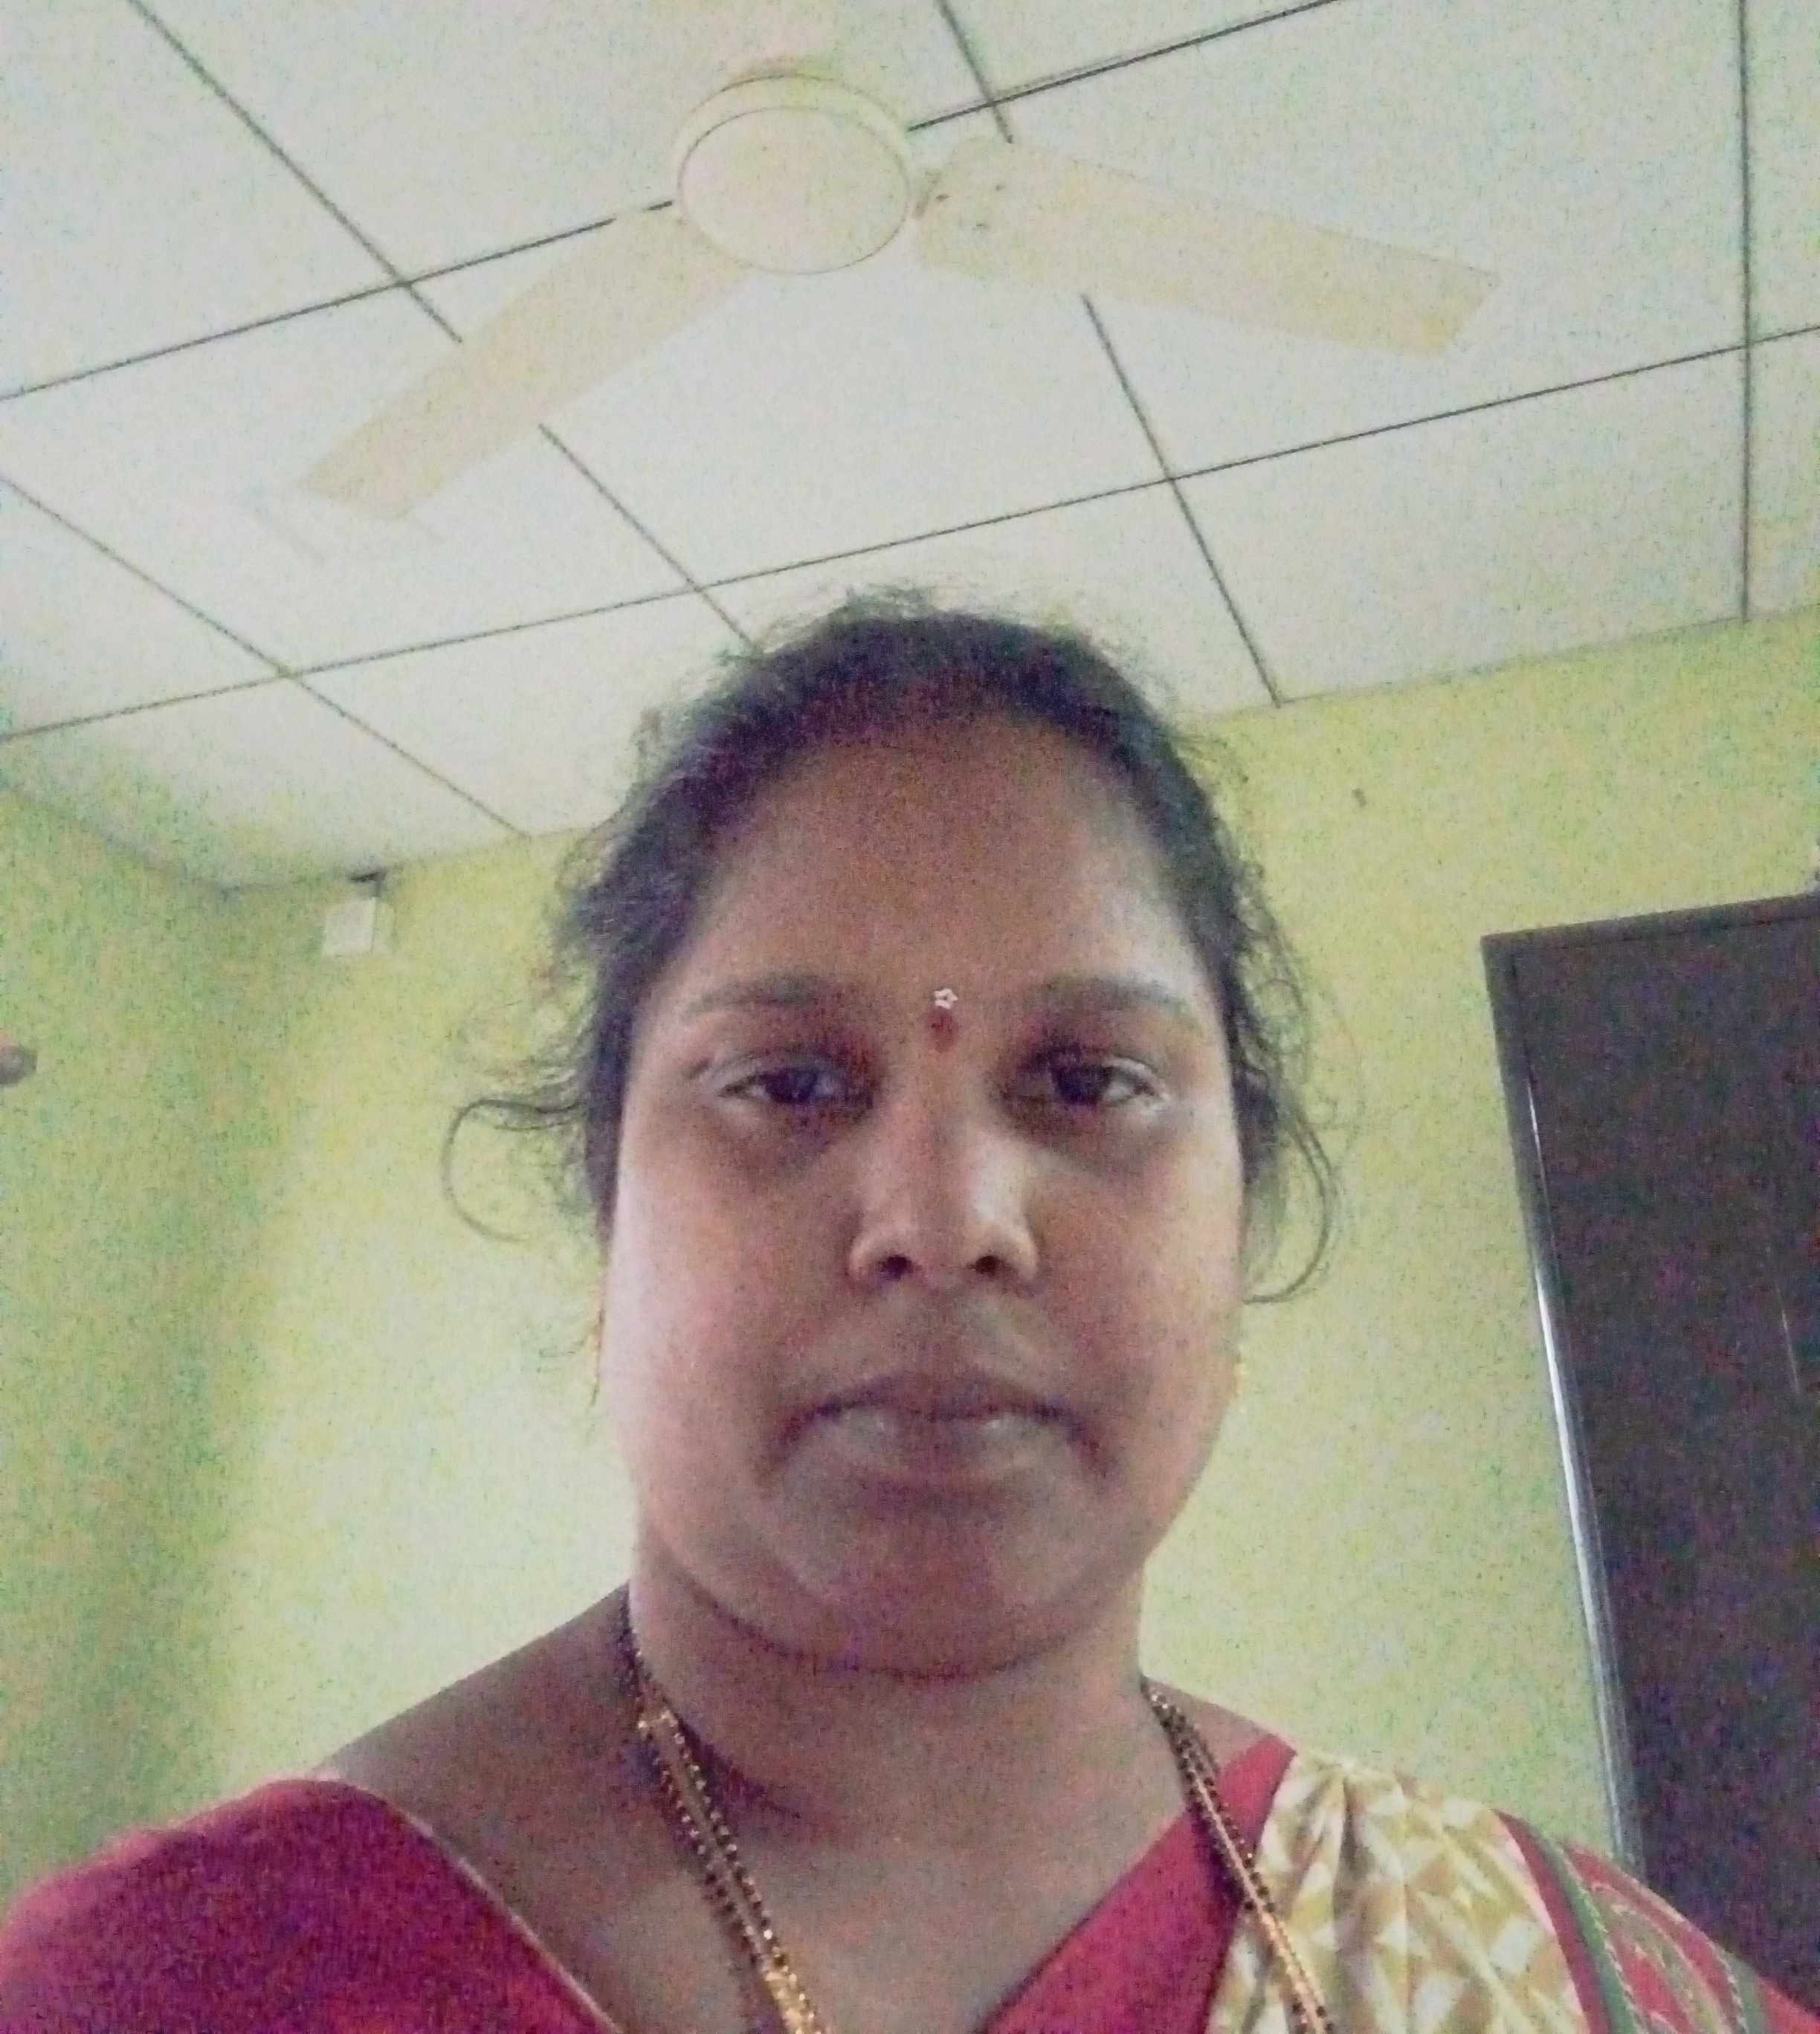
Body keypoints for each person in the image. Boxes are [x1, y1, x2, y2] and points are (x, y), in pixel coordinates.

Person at [1, 593, 1812, 2034]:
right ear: (610, 1209)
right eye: (789, 1084)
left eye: (1087, 1083)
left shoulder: (1541, 1971)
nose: (946, 1225)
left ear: (1242, 1208)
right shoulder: (181, 1987)